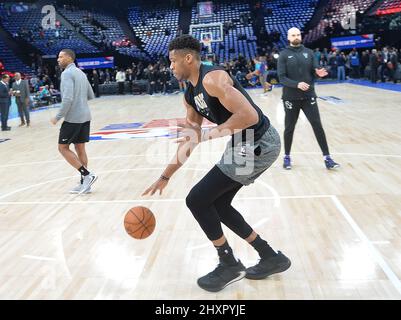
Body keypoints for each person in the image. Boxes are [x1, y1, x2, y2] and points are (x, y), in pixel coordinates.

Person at [143, 35, 291, 292]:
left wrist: (208, 135)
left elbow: (249, 115)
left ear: (188, 58)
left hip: (259, 142)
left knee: (197, 199)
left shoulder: (213, 79)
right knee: (218, 204)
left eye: (173, 61)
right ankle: (270, 257)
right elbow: (191, 139)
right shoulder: (190, 94)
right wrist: (165, 176)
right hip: (242, 142)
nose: (170, 67)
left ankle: (228, 263)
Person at [277, 27, 340, 170]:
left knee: (317, 126)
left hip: (309, 96)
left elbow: (315, 70)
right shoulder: (283, 55)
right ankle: (287, 157)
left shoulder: (309, 53)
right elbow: (281, 78)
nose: (296, 37)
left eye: (298, 34)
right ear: (288, 38)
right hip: (290, 98)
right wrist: (297, 84)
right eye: (293, 35)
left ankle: (327, 158)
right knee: (289, 128)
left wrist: (319, 73)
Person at [51, 49, 97, 194]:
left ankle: (87, 175)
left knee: (62, 148)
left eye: (61, 57)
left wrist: (58, 116)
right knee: (80, 148)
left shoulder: (67, 74)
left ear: (69, 58)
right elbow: (90, 95)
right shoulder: (81, 73)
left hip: (73, 118)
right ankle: (86, 184)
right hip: (85, 116)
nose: (58, 59)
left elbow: (68, 99)